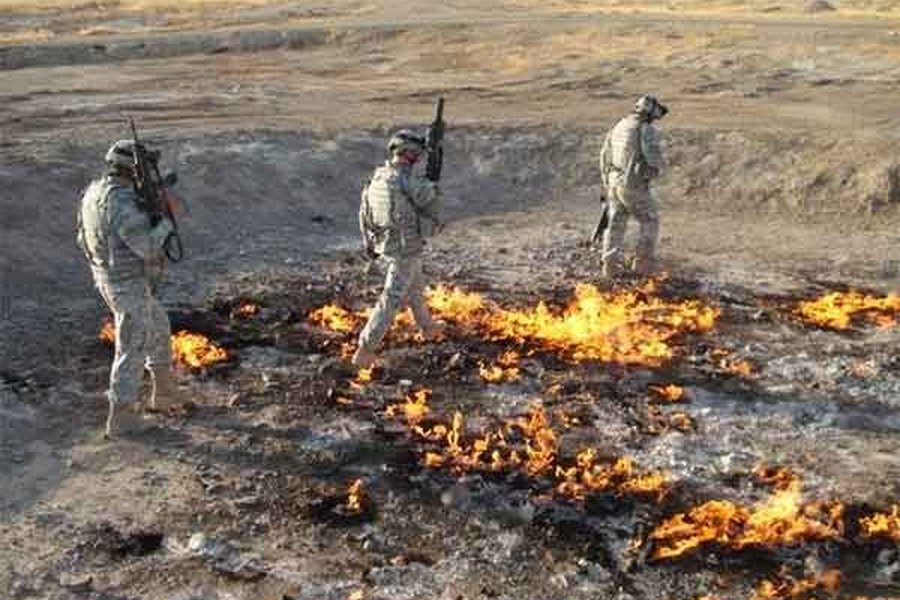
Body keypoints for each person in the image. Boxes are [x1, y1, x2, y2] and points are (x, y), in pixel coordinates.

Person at [76, 139, 186, 438]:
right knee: (133, 345)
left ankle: (163, 394)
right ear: (132, 170)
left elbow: (82, 238)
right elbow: (149, 248)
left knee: (159, 326)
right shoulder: (120, 201)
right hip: (125, 283)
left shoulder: (94, 191)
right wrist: (164, 218)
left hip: (112, 277)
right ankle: (121, 417)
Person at [353, 130, 443, 368]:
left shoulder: (377, 177)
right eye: (416, 154)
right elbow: (431, 201)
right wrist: (434, 177)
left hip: (387, 244)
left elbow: (363, 213)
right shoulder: (409, 182)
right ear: (410, 155)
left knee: (414, 288)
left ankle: (428, 327)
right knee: (392, 298)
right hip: (405, 248)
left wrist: (369, 244)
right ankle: (365, 348)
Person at [599, 94, 668, 278]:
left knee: (615, 223)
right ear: (649, 113)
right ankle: (642, 264)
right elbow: (653, 159)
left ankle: (610, 266)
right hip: (632, 183)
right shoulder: (644, 129)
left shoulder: (620, 125)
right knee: (650, 220)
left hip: (614, 180)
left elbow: (604, 155)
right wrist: (654, 172)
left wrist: (607, 182)